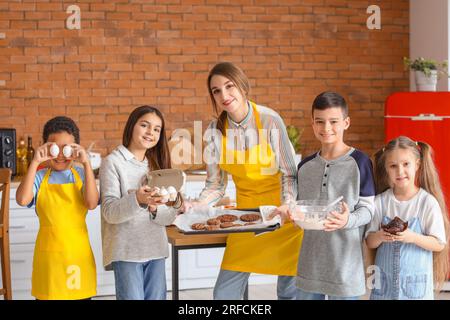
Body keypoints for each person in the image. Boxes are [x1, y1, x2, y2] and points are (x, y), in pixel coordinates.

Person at [185, 62, 303, 300]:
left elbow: (290, 173)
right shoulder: (214, 131)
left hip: (283, 217)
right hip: (245, 221)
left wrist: (287, 205)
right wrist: (199, 203)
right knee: (224, 294)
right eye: (216, 90)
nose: (224, 95)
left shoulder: (270, 120)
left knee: (289, 293)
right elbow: (216, 184)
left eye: (229, 86)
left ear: (242, 86)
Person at [273, 91, 376, 300]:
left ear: (346, 122)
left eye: (333, 121)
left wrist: (349, 219)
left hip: (345, 268)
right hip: (310, 266)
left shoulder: (360, 162)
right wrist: (291, 212)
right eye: (320, 121)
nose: (326, 128)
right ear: (312, 124)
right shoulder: (304, 167)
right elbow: (300, 208)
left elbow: (369, 210)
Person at [100, 105, 184, 300]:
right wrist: (137, 199)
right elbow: (110, 212)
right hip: (126, 251)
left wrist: (155, 209)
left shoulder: (157, 165)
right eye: (145, 125)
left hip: (155, 248)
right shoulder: (113, 162)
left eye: (156, 129)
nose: (150, 132)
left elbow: (171, 214)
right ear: (132, 126)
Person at [15, 116, 99, 300]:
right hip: (49, 260)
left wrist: (86, 163)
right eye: (54, 147)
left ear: (76, 148)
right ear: (44, 147)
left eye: (66, 148)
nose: (60, 154)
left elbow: (92, 203)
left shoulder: (81, 175)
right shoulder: (39, 176)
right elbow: (22, 199)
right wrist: (35, 162)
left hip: (77, 256)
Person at [365, 136, 449, 300]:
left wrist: (412, 237)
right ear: (386, 169)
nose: (400, 171)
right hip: (384, 289)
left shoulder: (426, 203)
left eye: (406, 164)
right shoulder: (381, 202)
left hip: (416, 291)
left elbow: (439, 243)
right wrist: (380, 236)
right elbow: (369, 241)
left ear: (417, 165)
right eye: (393, 166)